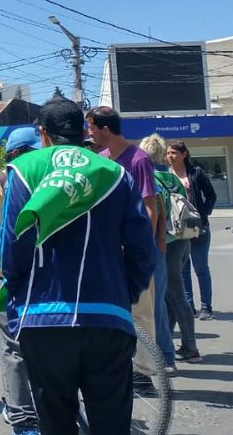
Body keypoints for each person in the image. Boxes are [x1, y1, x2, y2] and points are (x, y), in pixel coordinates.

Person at [1, 98, 157, 435]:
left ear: (43, 133)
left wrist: (18, 300)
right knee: (112, 425)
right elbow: (143, 250)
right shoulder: (116, 173)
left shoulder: (24, 170)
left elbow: (13, 250)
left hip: (43, 319)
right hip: (107, 317)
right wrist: (123, 293)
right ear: (83, 130)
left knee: (56, 424)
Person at [88, 105, 173, 372]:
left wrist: (138, 245)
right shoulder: (101, 159)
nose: (88, 133)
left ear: (104, 129)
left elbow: (151, 207)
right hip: (108, 250)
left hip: (133, 249)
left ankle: (145, 372)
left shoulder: (138, 160)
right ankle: (120, 366)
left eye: (91, 127)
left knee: (141, 311)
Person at [0, 127, 41, 435]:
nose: (37, 157)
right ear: (16, 155)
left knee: (37, 345)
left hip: (38, 274)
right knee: (13, 349)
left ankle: (22, 399)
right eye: (31, 152)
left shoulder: (43, 180)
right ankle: (21, 415)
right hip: (1, 275)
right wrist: (25, 236)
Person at [140, 134, 201, 365]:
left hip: (164, 242)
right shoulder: (172, 178)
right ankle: (169, 341)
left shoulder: (148, 178)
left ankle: (190, 346)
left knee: (175, 294)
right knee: (169, 294)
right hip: (182, 240)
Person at [167, 140, 218, 321]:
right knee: (183, 270)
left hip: (197, 228)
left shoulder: (196, 173)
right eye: (168, 153)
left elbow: (211, 195)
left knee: (201, 268)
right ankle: (189, 305)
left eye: (174, 153)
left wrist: (203, 214)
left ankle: (206, 306)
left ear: (184, 154)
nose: (170, 156)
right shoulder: (166, 175)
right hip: (177, 231)